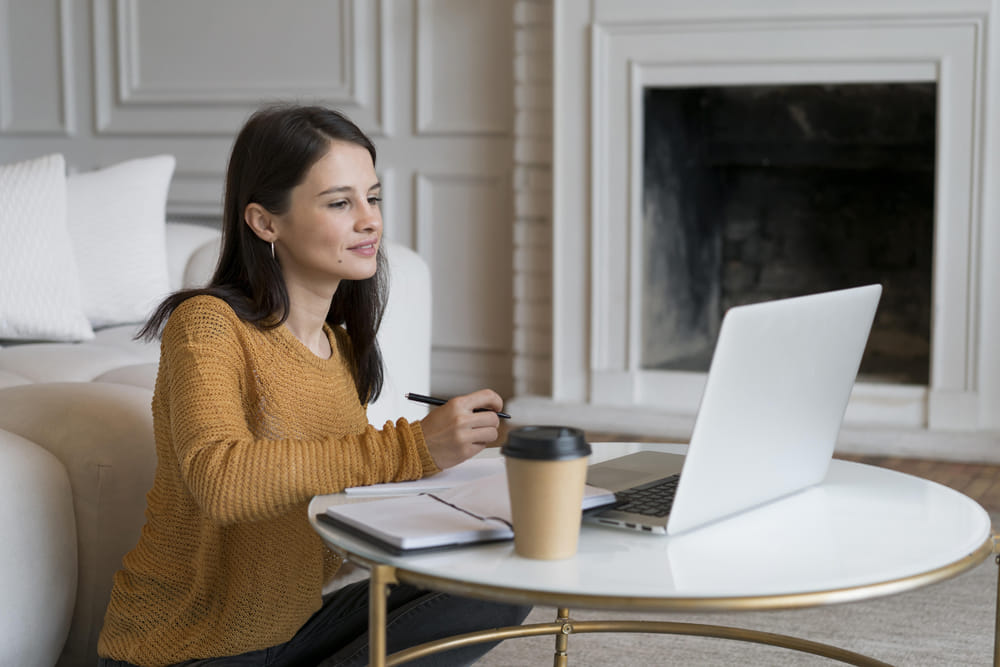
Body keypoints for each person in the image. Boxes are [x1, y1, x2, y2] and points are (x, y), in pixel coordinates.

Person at [96, 104, 531, 667]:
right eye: (340, 202)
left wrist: (452, 494)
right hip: (189, 647)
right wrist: (412, 447)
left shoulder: (341, 348)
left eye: (372, 198)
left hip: (292, 630)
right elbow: (222, 479)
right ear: (264, 222)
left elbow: (327, 497)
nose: (370, 220)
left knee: (505, 573)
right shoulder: (208, 325)